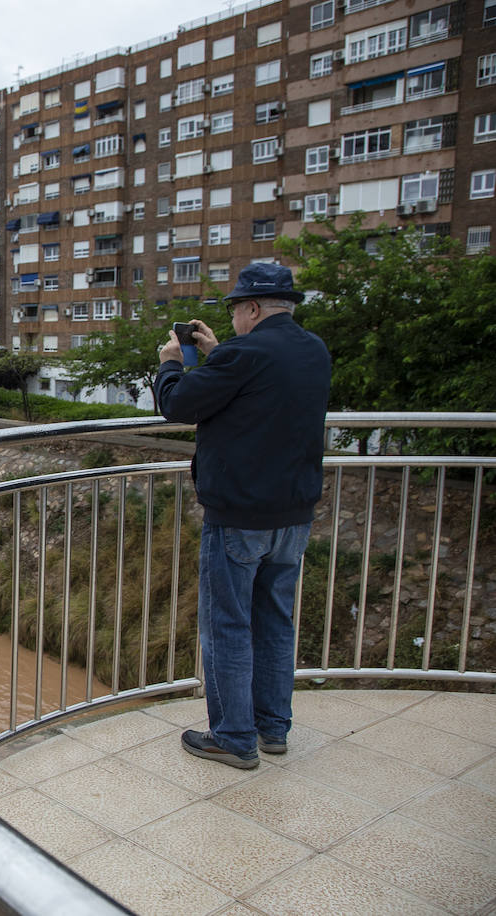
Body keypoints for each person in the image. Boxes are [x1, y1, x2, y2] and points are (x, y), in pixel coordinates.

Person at [154, 263, 331, 769]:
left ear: (251, 309)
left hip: (239, 518)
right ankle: (273, 728)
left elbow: (180, 404)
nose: (231, 321)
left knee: (228, 625)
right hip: (293, 516)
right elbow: (260, 387)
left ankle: (233, 735)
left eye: (234, 311)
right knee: (275, 621)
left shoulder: (245, 352)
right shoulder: (312, 349)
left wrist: (171, 362)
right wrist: (219, 353)